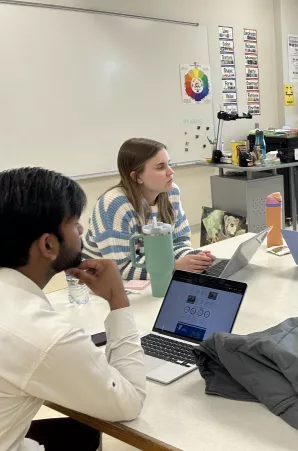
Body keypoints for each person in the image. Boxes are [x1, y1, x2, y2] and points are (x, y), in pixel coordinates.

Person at [0, 167, 146, 451]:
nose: (81, 230)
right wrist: (117, 299)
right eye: (75, 223)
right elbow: (130, 401)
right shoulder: (44, 335)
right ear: (48, 244)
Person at [83, 138, 214, 279]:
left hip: (154, 273)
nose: (171, 172)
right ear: (137, 176)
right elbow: (120, 268)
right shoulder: (113, 205)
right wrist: (174, 266)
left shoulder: (171, 192)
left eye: (168, 164)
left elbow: (179, 241)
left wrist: (195, 259)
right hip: (100, 281)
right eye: (160, 167)